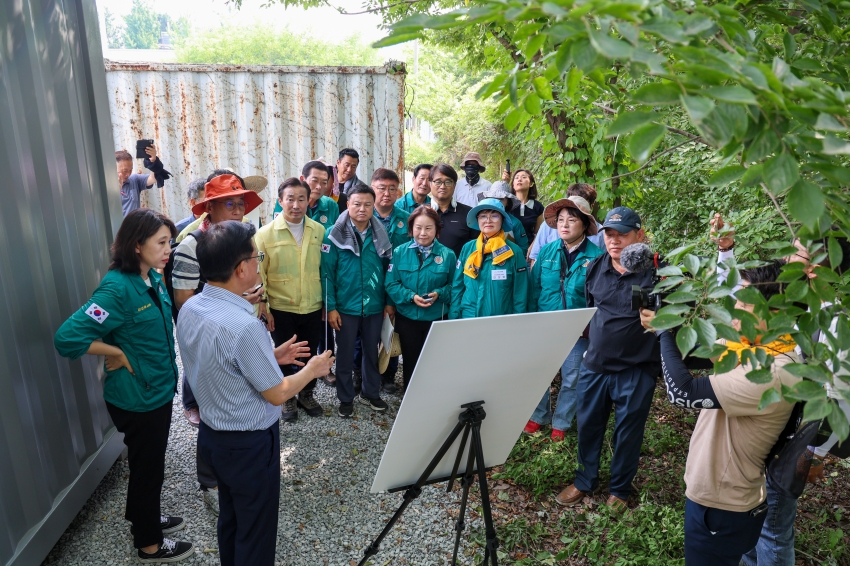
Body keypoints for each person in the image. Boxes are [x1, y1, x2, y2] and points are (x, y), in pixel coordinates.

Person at [177, 220, 334, 566]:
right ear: (241, 268)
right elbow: (277, 395)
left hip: (214, 437)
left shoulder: (191, 308)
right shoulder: (244, 324)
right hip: (248, 444)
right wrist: (313, 370)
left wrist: (270, 357)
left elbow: (216, 362)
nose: (257, 261)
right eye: (256, 255)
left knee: (231, 518)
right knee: (256, 529)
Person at [54, 209, 194, 563]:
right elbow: (67, 338)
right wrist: (113, 349)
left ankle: (143, 516)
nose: (168, 249)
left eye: (170, 242)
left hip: (156, 390)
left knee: (150, 465)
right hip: (138, 398)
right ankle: (148, 543)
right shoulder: (116, 288)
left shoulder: (150, 276)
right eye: (161, 243)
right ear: (136, 245)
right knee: (149, 470)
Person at [640, 262, 801, 566]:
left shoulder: (773, 371)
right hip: (721, 497)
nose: (735, 309)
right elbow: (694, 353)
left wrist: (663, 333)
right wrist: (673, 319)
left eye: (744, 303)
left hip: (723, 505)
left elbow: (682, 392)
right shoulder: (754, 346)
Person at [171, 172, 266, 516]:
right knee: (212, 403)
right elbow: (183, 298)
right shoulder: (191, 243)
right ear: (210, 208)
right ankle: (209, 476)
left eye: (241, 203)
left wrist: (254, 302)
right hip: (211, 332)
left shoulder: (244, 237)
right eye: (231, 203)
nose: (239, 209)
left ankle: (234, 470)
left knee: (240, 396)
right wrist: (228, 305)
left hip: (239, 324)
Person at [555, 207, 658, 512]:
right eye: (609, 234)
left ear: (639, 235)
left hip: (635, 370)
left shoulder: (654, 273)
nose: (614, 241)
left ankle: (620, 489)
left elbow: (658, 320)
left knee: (627, 432)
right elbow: (591, 310)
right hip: (595, 366)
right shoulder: (596, 268)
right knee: (588, 425)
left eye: (622, 234)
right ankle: (585, 480)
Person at [523, 196, 603, 441]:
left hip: (578, 330)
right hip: (545, 326)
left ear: (584, 224)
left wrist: (588, 327)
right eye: (560, 220)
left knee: (572, 377)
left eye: (572, 219)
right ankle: (539, 416)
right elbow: (534, 289)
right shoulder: (547, 251)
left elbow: (598, 299)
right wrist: (532, 322)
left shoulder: (597, 257)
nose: (564, 224)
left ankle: (562, 421)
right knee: (540, 373)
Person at [255, 178, 326, 423]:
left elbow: (324, 269)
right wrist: (263, 304)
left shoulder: (318, 230)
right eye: (290, 199)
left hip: (312, 304)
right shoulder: (265, 234)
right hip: (281, 306)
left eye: (301, 199)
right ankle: (287, 397)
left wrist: (327, 303)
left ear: (309, 201)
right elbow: (259, 272)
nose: (296, 205)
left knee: (308, 350)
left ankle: (306, 394)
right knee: (285, 353)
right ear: (280, 201)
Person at [321, 185, 394, 417]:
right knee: (344, 354)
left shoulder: (380, 233)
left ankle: (370, 393)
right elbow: (327, 274)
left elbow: (388, 270)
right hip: (345, 307)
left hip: (373, 305)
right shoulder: (333, 234)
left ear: (374, 206)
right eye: (357, 204)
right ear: (347, 205)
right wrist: (330, 307)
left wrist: (388, 302)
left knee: (372, 351)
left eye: (367, 204)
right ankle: (345, 398)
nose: (362, 209)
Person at [385, 206, 457, 390]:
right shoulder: (400, 252)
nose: (422, 233)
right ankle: (410, 398)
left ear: (437, 230)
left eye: (428, 228)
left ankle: (433, 398)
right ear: (411, 229)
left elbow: (454, 287)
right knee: (411, 361)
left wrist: (439, 294)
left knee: (435, 362)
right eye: (418, 227)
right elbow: (391, 284)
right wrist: (410, 297)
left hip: (437, 318)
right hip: (408, 318)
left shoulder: (448, 255)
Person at [450, 198, 528, 319]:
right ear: (477, 220)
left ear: (502, 220)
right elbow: (458, 285)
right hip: (468, 318)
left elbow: (520, 291)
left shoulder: (514, 251)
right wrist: (454, 317)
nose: (488, 221)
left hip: (500, 320)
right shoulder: (468, 248)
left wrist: (517, 321)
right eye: (483, 216)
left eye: (494, 216)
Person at [529, 183, 604, 264]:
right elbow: (535, 258)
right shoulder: (547, 227)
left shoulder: (601, 233)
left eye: (581, 203)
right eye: (561, 219)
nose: (564, 225)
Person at [429, 164, 479, 258]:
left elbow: (475, 248)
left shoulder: (469, 213)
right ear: (430, 183)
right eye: (438, 182)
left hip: (459, 271)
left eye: (448, 182)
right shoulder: (420, 213)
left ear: (455, 185)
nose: (442, 186)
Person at [477, 182, 529, 256]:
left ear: (508, 202)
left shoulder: (515, 223)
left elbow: (523, 248)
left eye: (501, 199)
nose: (497, 201)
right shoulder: (482, 220)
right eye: (493, 198)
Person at [116, 146, 168, 217]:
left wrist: (153, 161)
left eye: (130, 170)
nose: (128, 174)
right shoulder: (103, 188)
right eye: (125, 171)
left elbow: (153, 178)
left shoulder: (134, 179)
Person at [502, 168, 545, 241]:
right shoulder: (507, 204)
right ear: (513, 185)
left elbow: (537, 234)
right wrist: (505, 182)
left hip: (529, 248)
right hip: (507, 247)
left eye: (524, 177)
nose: (519, 179)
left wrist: (531, 249)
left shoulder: (538, 207)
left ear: (531, 184)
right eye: (516, 177)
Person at [298, 160, 340, 230]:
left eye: (324, 182)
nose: (319, 187)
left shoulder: (331, 205)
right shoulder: (288, 202)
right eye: (314, 181)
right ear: (302, 179)